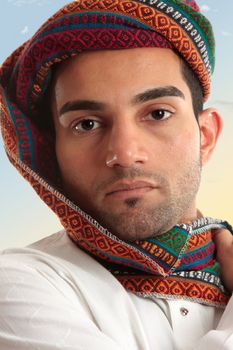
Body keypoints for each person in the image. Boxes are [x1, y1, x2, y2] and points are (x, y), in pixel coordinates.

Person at [0, 0, 232, 349]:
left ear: (206, 137)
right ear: (54, 154)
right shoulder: (19, 283)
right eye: (87, 124)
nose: (124, 154)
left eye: (157, 114)